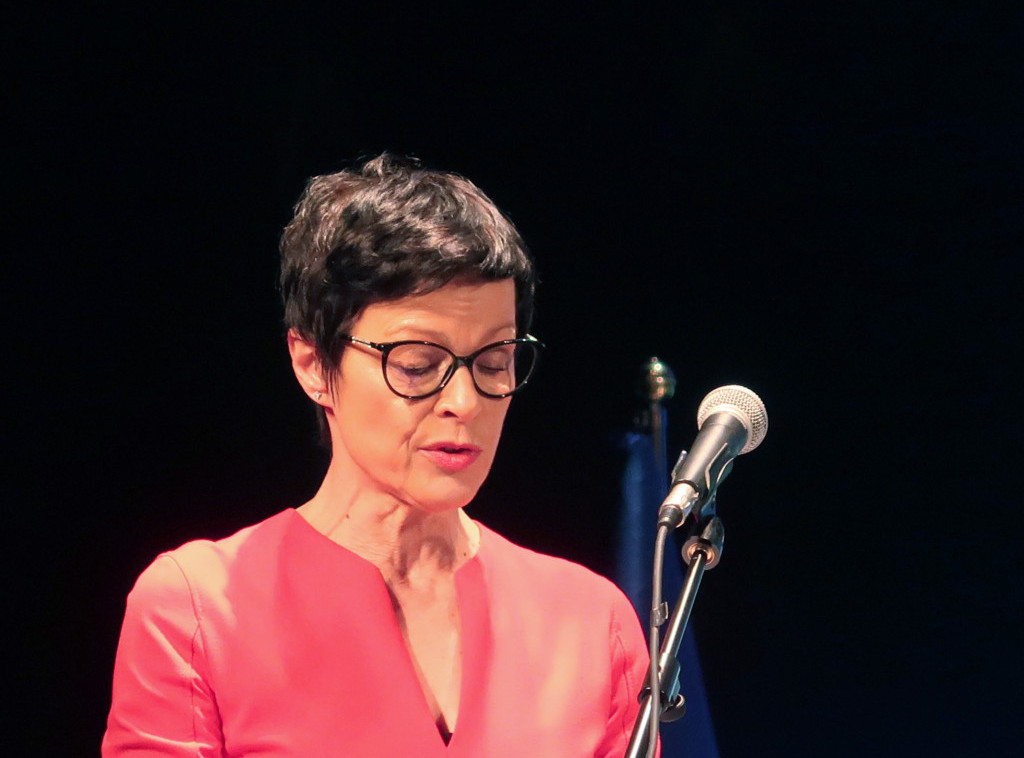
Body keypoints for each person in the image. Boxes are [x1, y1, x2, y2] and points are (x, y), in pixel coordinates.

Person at [102, 154, 651, 757]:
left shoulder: (590, 624)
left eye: (495, 362)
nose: (464, 402)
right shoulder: (198, 611)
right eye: (417, 365)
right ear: (313, 364)